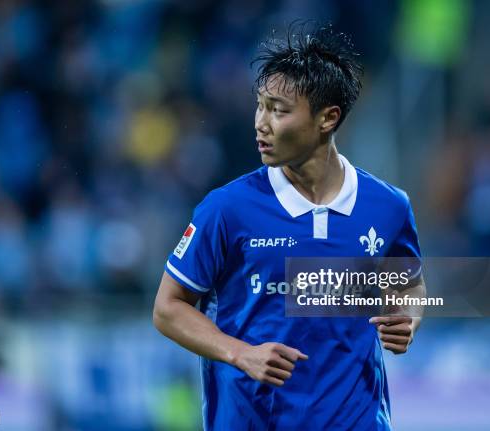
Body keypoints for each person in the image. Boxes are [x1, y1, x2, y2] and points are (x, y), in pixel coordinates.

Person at [153, 22, 426, 431]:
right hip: (251, 420)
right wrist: (239, 353)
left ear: (327, 119)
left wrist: (409, 316)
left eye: (279, 110)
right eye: (260, 105)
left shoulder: (388, 206)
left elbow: (408, 284)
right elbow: (167, 309)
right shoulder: (227, 209)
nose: (261, 123)